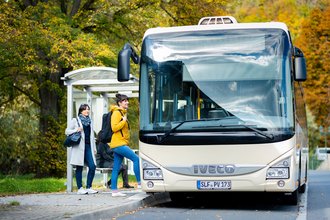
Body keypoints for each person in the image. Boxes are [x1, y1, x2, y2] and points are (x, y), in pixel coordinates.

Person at [109, 94, 141, 197]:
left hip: (119, 143)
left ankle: (114, 191)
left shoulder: (122, 112)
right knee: (136, 159)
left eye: (127, 100)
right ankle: (140, 184)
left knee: (116, 167)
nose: (127, 102)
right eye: (124, 101)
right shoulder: (117, 113)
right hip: (118, 143)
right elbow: (114, 128)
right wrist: (123, 121)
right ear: (119, 103)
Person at [65, 104, 98, 195]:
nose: (87, 111)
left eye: (88, 109)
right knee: (79, 167)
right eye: (85, 109)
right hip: (79, 147)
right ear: (81, 111)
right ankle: (80, 188)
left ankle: (89, 187)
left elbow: (92, 136)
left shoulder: (90, 121)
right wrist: (76, 130)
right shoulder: (75, 120)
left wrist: (94, 148)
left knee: (92, 166)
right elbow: (67, 131)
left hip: (88, 147)